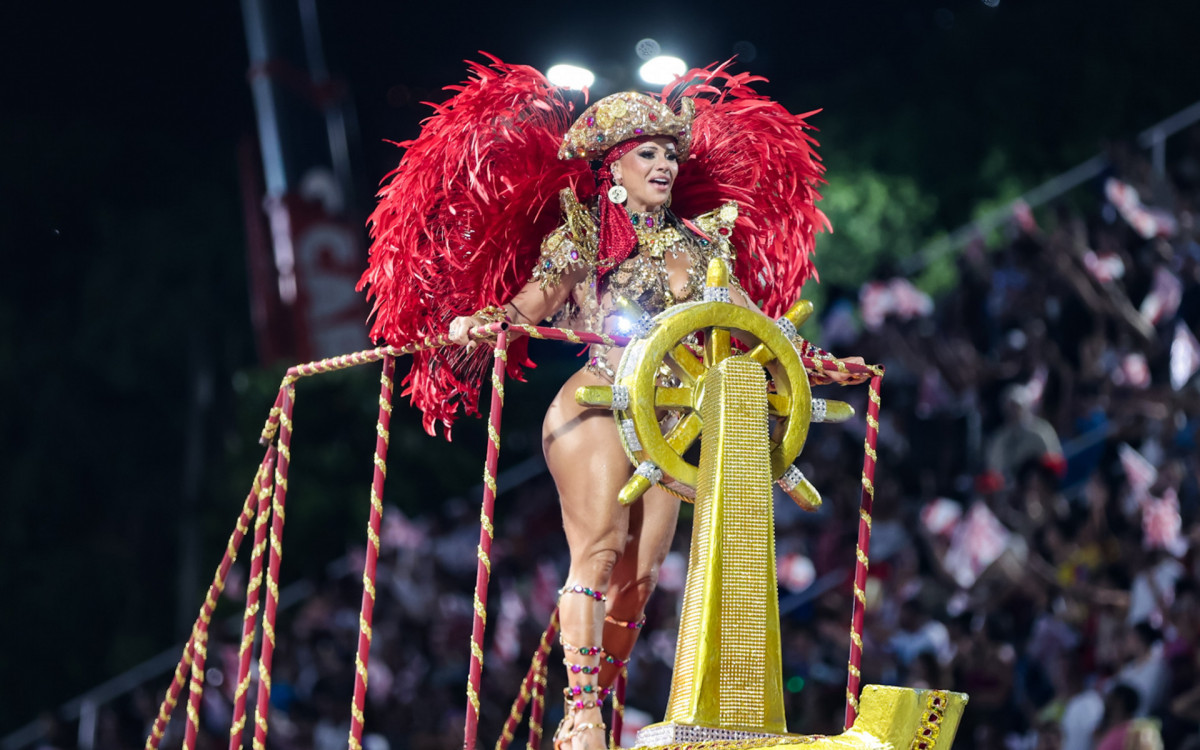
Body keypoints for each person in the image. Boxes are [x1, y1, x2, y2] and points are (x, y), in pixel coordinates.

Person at [360, 59, 849, 750]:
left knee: (642, 580)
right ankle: (581, 709)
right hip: (595, 405)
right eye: (647, 153)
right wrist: (492, 320)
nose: (665, 165)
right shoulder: (582, 237)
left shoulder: (706, 242)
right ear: (613, 167)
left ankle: (597, 701)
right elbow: (533, 303)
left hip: (671, 425)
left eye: (670, 154)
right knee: (599, 551)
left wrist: (816, 363)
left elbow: (752, 325)